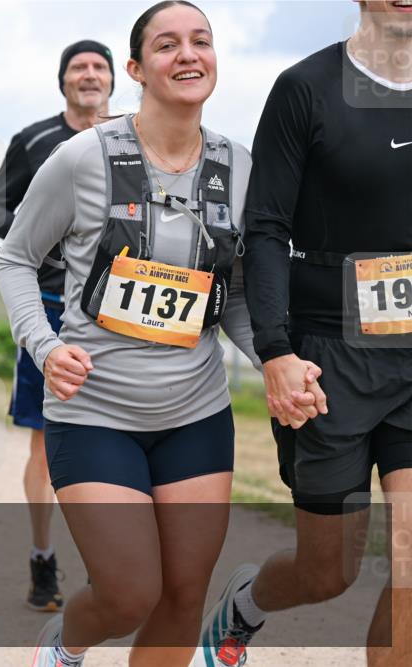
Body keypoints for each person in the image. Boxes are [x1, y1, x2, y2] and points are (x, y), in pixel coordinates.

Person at [0, 3, 323, 666]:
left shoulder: (239, 168)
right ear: (138, 70)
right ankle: (65, 644)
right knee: (128, 592)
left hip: (195, 414)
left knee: (181, 594)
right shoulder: (82, 159)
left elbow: (227, 296)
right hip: (95, 412)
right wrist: (45, 343)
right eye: (167, 44)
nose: (188, 54)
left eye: (201, 41)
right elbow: (15, 258)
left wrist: (273, 359)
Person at [197, 2, 412, 666]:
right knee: (328, 572)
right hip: (327, 358)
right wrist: (275, 349)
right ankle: (246, 605)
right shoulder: (306, 87)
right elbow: (265, 228)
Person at [0, 38, 115, 613]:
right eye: (77, 67)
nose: (88, 75)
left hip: (123, 316)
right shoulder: (34, 142)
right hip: (53, 312)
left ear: (116, 79)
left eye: (98, 67)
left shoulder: (134, 136)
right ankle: (43, 558)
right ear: (63, 81)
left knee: (123, 439)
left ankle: (117, 565)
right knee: (47, 445)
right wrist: (49, 240)